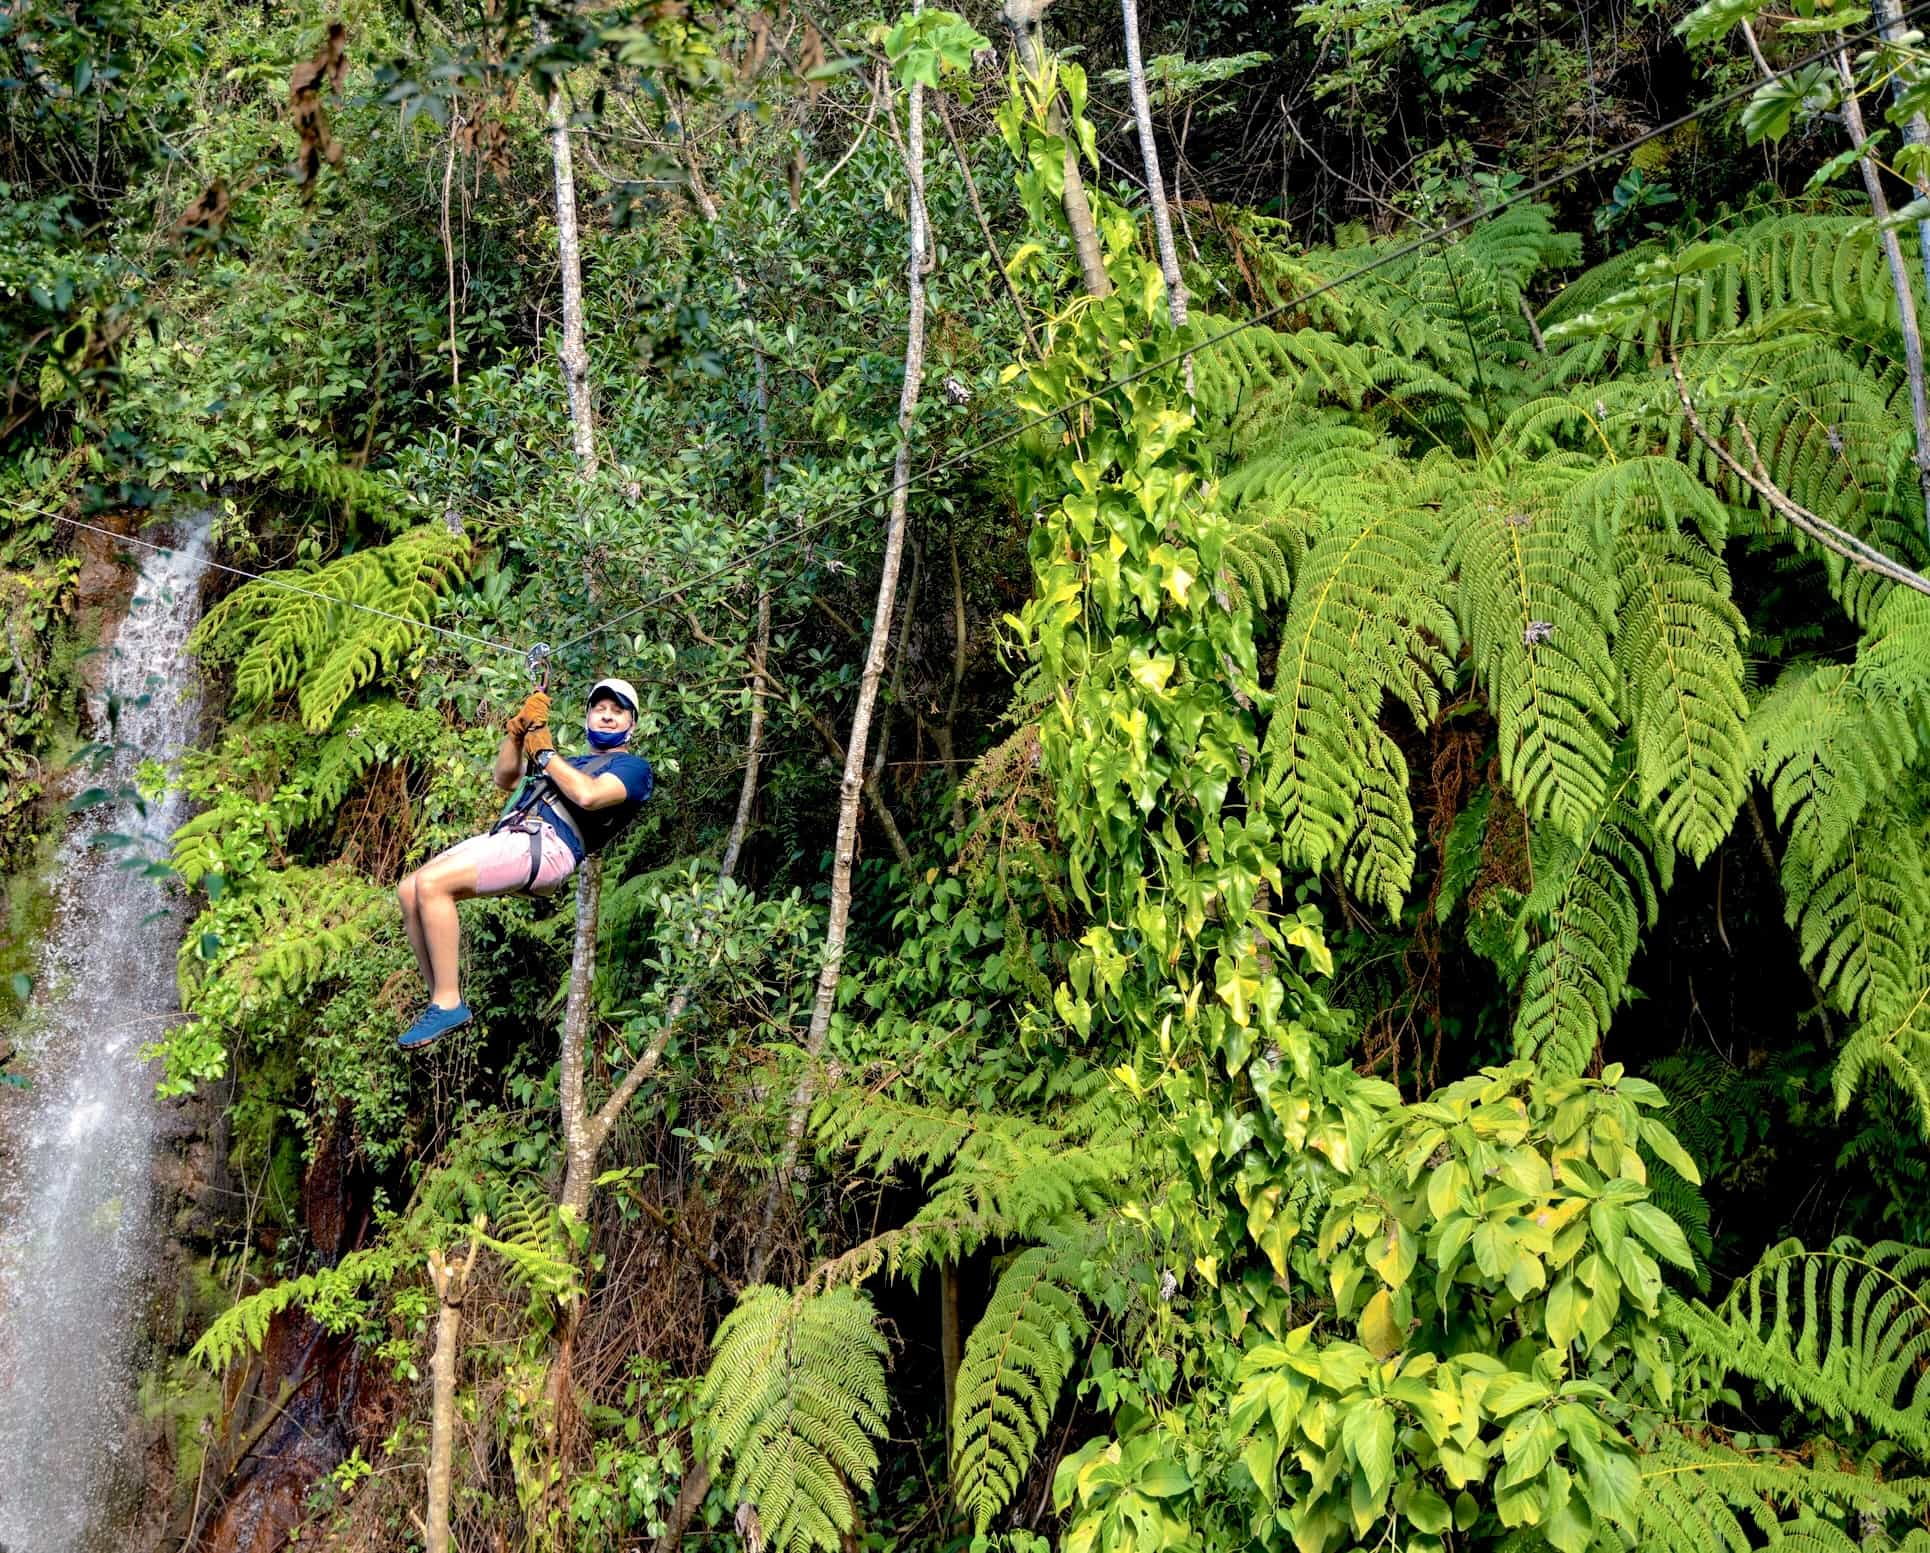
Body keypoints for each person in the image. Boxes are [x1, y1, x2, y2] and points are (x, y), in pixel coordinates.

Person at [395, 677, 654, 1049]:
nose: (608, 717)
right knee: (410, 889)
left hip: (546, 846)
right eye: (600, 709)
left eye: (618, 712)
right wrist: (518, 735)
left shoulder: (633, 769)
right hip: (512, 834)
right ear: (587, 717)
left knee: (434, 884)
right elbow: (506, 778)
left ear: (632, 723)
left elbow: (589, 794)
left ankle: (448, 1001)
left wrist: (546, 752)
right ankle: (440, 1000)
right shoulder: (575, 761)